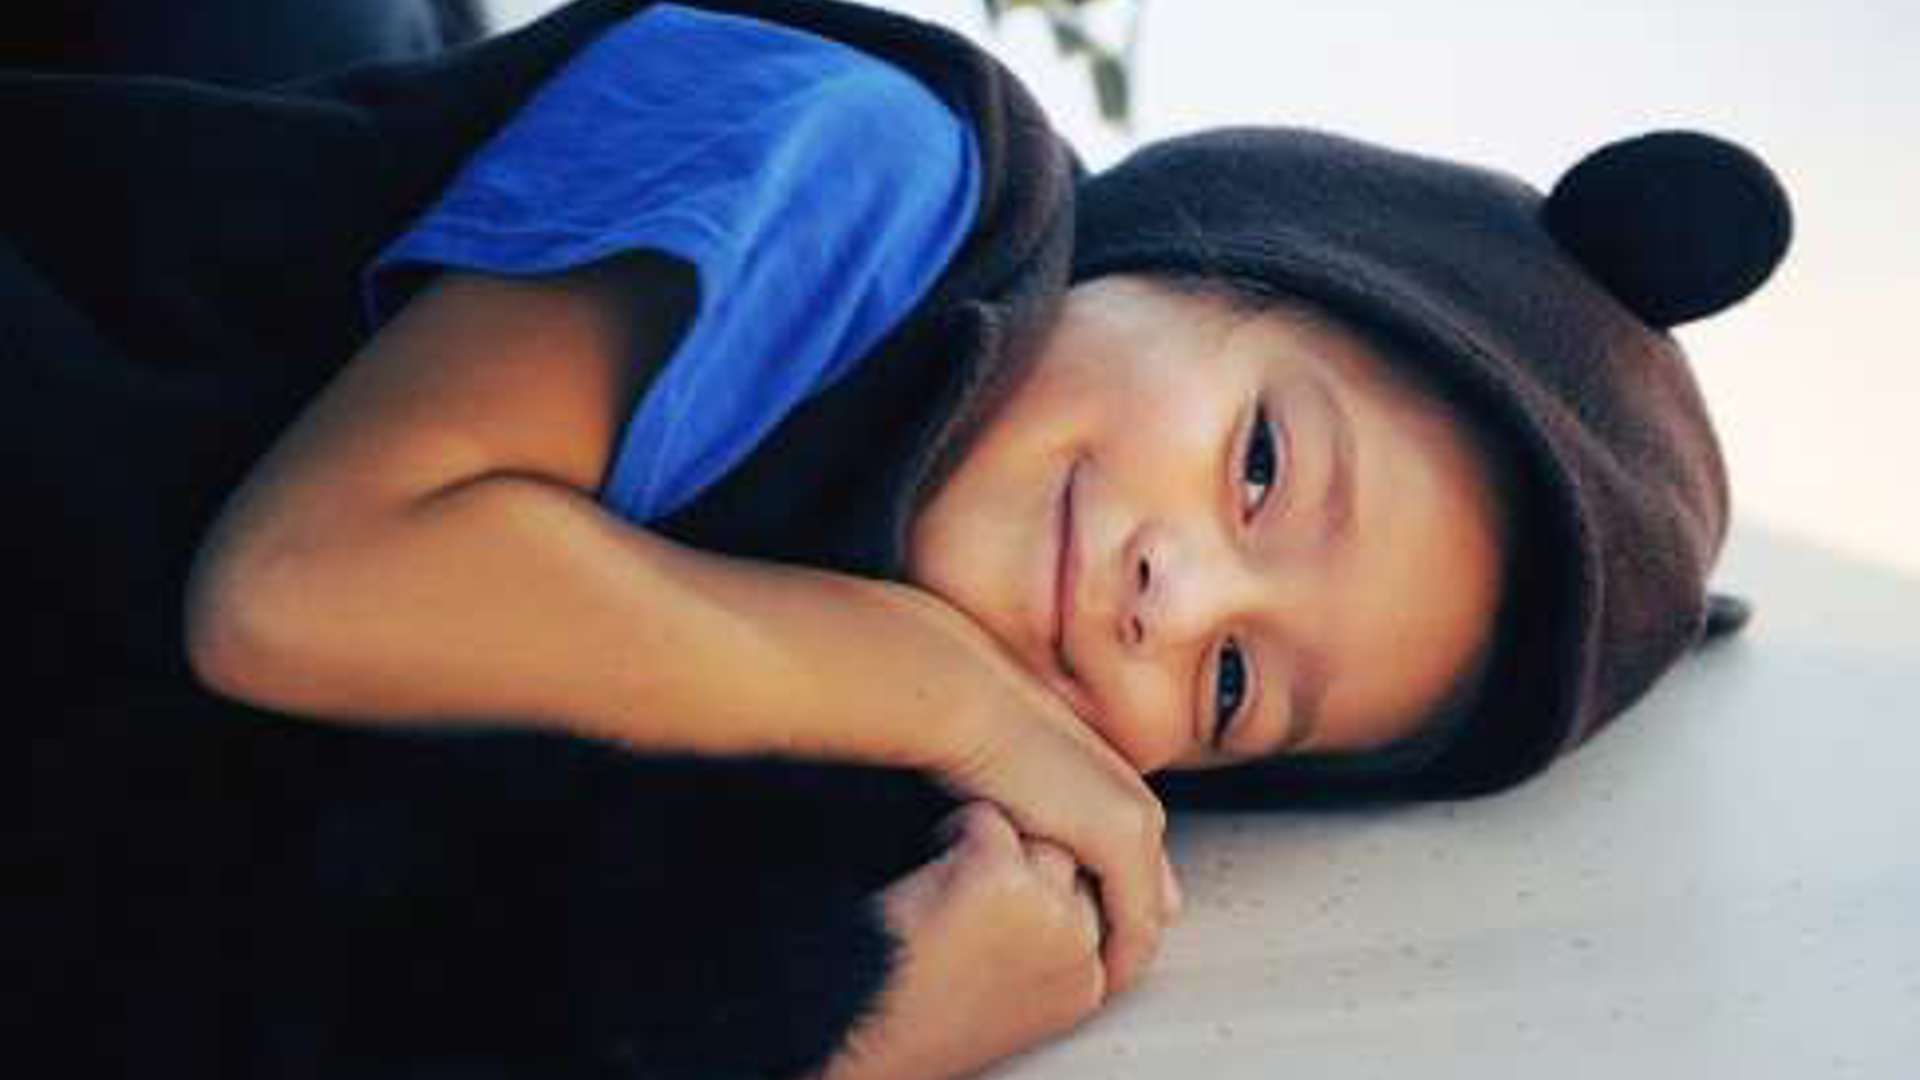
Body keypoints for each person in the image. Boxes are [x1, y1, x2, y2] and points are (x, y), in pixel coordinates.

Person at [8, 0, 1791, 1077]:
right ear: (1174, 257)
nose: (1178, 601)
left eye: (1243, 684)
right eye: (1260, 466)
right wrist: (929, 685)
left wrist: (859, 1020)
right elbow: (305, 591)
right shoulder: (885, 165)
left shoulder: (832, 735)